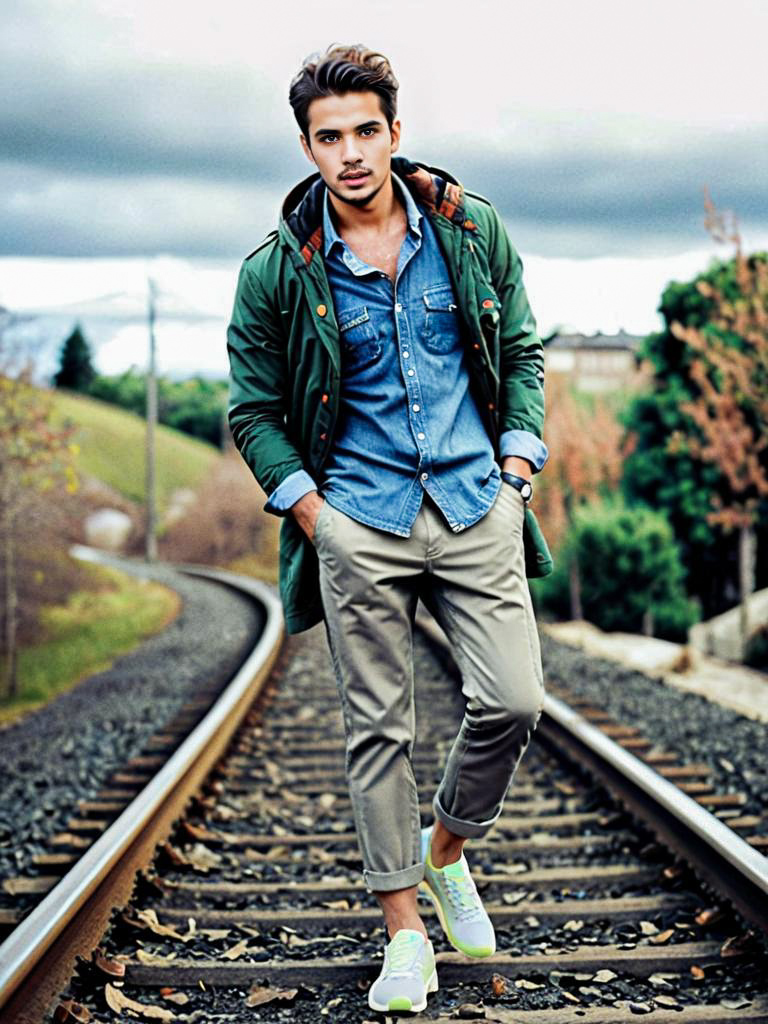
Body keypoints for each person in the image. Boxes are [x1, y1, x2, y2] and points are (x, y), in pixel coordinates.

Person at [226, 42, 548, 1014]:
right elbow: (253, 411)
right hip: (357, 518)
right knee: (379, 731)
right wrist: (314, 515)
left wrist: (517, 469)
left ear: (396, 132)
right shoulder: (278, 271)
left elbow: (523, 350)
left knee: (515, 700)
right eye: (331, 137)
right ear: (307, 147)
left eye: (368, 130)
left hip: (473, 502)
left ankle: (446, 850)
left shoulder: (467, 230)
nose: (352, 152)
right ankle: (404, 930)